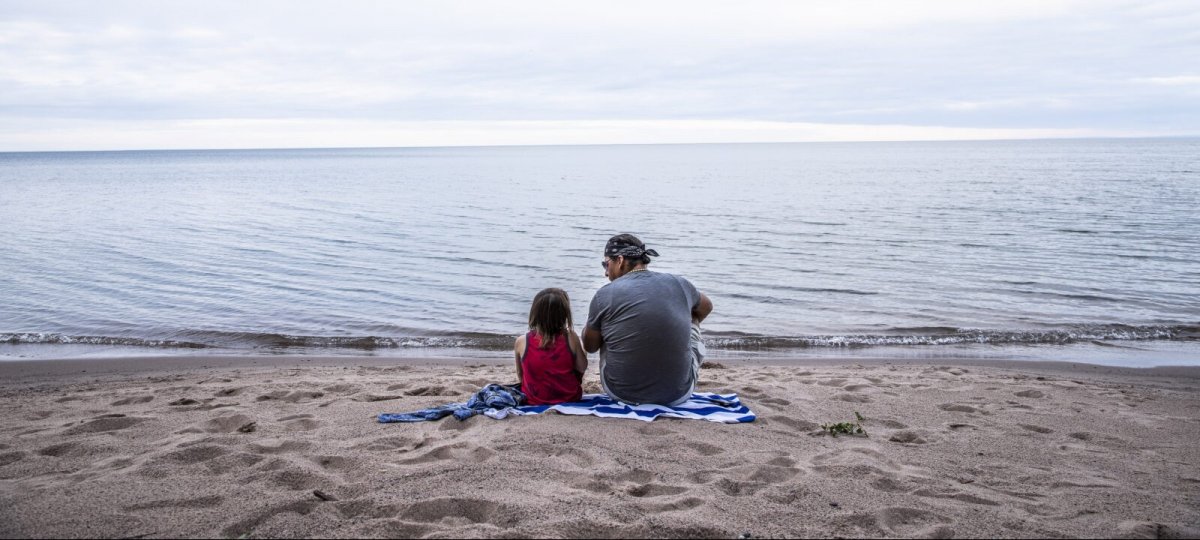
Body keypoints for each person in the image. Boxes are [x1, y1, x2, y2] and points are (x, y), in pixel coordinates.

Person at [583, 234, 713, 406]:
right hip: (678, 394)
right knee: (692, 315)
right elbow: (706, 307)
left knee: (607, 327)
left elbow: (590, 347)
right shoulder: (679, 283)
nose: (605, 272)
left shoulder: (604, 294)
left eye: (606, 264)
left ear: (620, 260)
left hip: (621, 393)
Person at [514, 288, 588, 405]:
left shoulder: (521, 341)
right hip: (569, 398)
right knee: (577, 356)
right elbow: (582, 367)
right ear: (564, 314)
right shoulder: (571, 337)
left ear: (534, 313)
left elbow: (520, 374)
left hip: (533, 400)